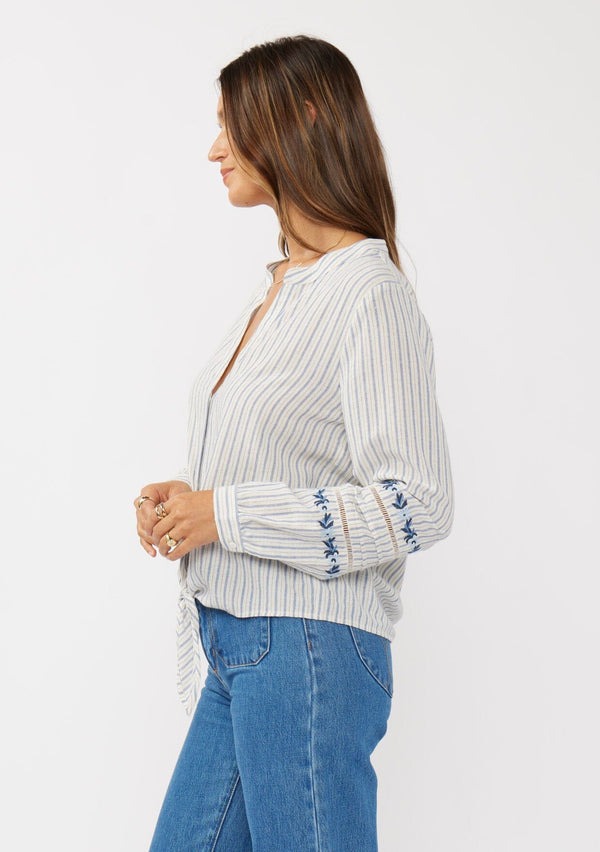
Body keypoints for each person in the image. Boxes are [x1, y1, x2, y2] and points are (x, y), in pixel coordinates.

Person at [135, 34, 454, 852]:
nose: (215, 148)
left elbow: (419, 500)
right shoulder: (280, 287)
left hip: (306, 648)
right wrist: (187, 503)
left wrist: (227, 515)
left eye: (231, 124)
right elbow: (285, 458)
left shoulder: (366, 291)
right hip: (239, 642)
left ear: (302, 117)